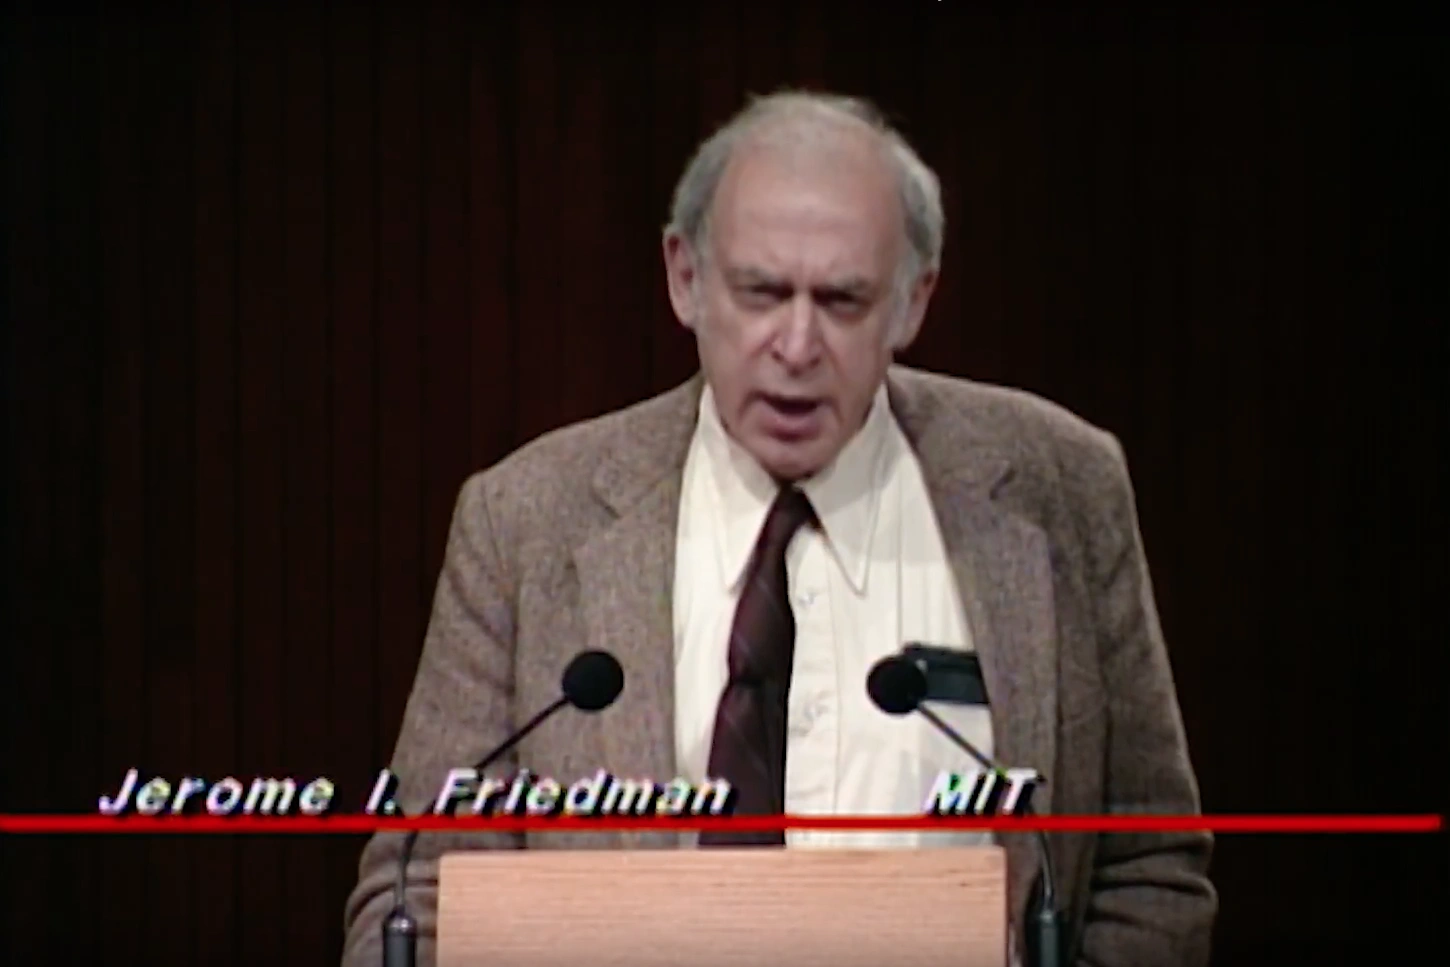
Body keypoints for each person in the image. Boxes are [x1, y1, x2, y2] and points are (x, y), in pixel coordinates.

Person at [341, 91, 1216, 966]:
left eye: (841, 300)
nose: (797, 346)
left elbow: (1147, 871)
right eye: (762, 292)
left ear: (913, 302)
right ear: (685, 278)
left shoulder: (1060, 487)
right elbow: (418, 890)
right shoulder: (525, 519)